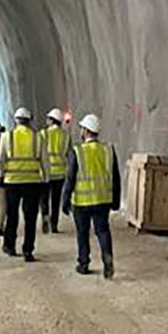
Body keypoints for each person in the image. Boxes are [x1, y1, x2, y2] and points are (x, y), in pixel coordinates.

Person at [61, 113, 121, 279]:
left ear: (86, 131)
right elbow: (116, 177)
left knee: (82, 233)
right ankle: (107, 259)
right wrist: (116, 201)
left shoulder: (77, 151)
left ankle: (84, 263)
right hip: (103, 200)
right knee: (103, 231)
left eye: (82, 128)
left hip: (82, 202)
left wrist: (64, 201)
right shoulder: (108, 151)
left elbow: (70, 178)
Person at [0, 106, 48, 262]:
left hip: (12, 182)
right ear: (29, 121)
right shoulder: (38, 138)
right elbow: (44, 161)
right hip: (32, 182)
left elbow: (0, 161)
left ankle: (10, 245)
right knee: (30, 217)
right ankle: (28, 250)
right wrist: (45, 178)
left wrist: (1, 174)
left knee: (12, 215)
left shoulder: (7, 137)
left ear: (16, 120)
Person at [41, 107, 71, 235]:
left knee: (44, 198)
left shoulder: (43, 134)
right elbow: (69, 154)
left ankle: (45, 217)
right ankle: (54, 224)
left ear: (51, 120)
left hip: (46, 172)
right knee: (56, 199)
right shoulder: (66, 136)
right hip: (60, 172)